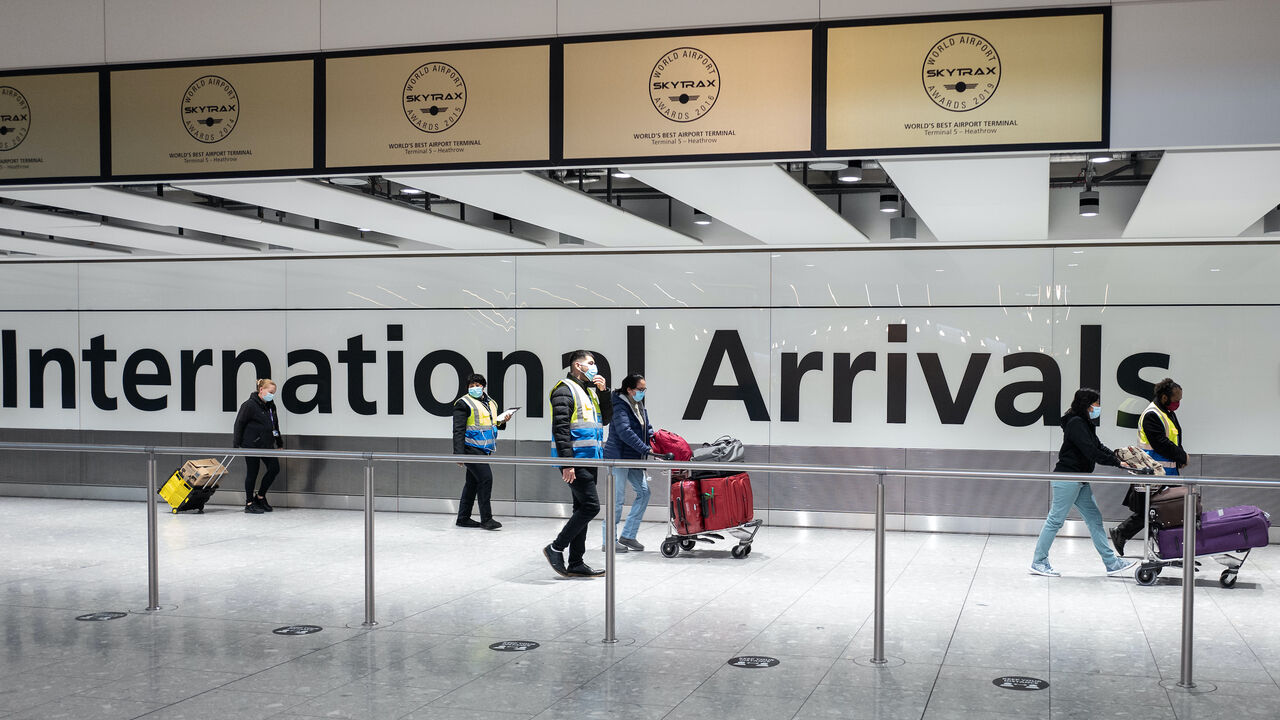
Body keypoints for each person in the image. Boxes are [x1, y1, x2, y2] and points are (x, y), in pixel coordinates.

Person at [1030, 388, 1139, 577]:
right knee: (1055, 520)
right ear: (1087, 404)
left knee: (1094, 519)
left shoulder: (1085, 423)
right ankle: (1038, 562)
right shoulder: (1076, 423)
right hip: (1068, 478)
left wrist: (1119, 457)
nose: (1098, 407)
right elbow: (1091, 451)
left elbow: (1098, 446)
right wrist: (1117, 463)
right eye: (1096, 403)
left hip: (1079, 479)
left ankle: (1111, 563)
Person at [542, 350, 612, 578]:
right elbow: (560, 429)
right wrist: (567, 462)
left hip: (590, 458)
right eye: (590, 363)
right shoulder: (564, 390)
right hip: (576, 460)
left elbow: (607, 418)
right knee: (591, 506)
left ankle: (576, 562)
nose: (594, 367)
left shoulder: (587, 391)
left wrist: (603, 392)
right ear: (577, 365)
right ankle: (555, 548)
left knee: (581, 508)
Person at [1110, 378, 1187, 556]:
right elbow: (1161, 443)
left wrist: (1179, 457)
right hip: (1155, 472)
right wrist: (1182, 456)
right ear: (1164, 397)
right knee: (1156, 511)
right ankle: (1122, 533)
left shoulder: (1166, 412)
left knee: (1168, 510)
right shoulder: (1152, 414)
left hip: (1167, 471)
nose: (1178, 403)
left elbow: (1174, 439)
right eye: (1176, 399)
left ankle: (1173, 549)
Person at [452, 373, 514, 530]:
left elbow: (493, 423)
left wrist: (503, 421)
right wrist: (458, 454)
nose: (474, 388)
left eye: (477, 385)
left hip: (483, 449)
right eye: (471, 386)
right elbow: (458, 430)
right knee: (486, 479)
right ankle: (487, 519)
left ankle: (463, 517)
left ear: (483, 386)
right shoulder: (463, 403)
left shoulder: (491, 402)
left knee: (472, 483)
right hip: (470, 448)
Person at [601, 373, 655, 553]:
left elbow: (645, 427)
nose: (643, 392)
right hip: (618, 457)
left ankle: (628, 536)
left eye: (644, 389)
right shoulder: (618, 404)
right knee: (617, 500)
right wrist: (646, 449)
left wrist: (656, 439)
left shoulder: (637, 403)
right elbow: (625, 432)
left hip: (633, 457)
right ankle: (609, 540)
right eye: (640, 389)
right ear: (629, 390)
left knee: (644, 493)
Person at [232, 378, 283, 514]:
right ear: (261, 390)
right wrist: (236, 443)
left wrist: (279, 442)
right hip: (251, 445)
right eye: (270, 392)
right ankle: (249, 503)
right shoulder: (249, 405)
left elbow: (274, 425)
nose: (272, 395)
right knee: (252, 473)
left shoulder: (271, 406)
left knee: (274, 468)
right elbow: (239, 424)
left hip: (267, 444)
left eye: (274, 392)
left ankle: (260, 496)